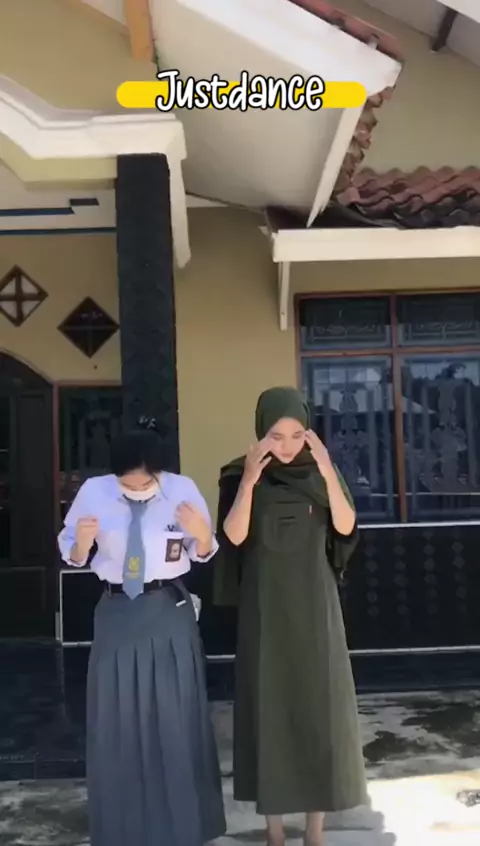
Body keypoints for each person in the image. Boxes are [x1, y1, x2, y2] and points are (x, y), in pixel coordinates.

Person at [58, 429, 226, 846]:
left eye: (145, 483)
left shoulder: (181, 490)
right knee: (117, 718)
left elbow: (204, 550)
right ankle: (124, 828)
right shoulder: (94, 492)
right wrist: (81, 545)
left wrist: (202, 533)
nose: (136, 490)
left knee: (174, 714)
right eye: (127, 484)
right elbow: (73, 554)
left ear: (159, 472)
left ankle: (185, 825)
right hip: (117, 613)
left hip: (167, 609)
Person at [214, 387, 367, 846]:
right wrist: (249, 483)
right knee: (269, 713)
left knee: (318, 711)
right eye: (276, 436)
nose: (286, 446)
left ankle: (315, 831)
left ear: (309, 435)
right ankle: (275, 832)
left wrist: (326, 468)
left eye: (297, 435)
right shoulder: (237, 475)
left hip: (316, 608)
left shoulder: (321, 473)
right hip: (264, 610)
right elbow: (233, 536)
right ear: (261, 432)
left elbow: (346, 527)